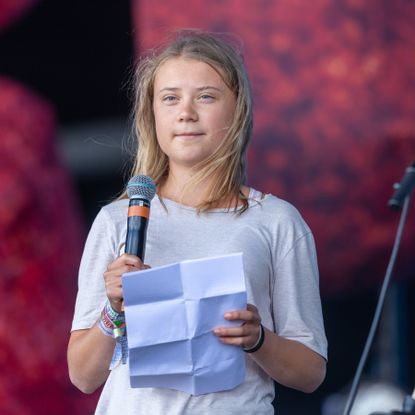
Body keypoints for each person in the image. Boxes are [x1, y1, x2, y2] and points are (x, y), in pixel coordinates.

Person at [67, 29, 327, 414]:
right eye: (170, 98)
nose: (186, 112)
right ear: (151, 113)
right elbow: (82, 376)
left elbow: (310, 373)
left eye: (206, 96)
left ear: (236, 110)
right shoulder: (117, 220)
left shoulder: (277, 222)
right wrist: (112, 310)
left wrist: (258, 339)